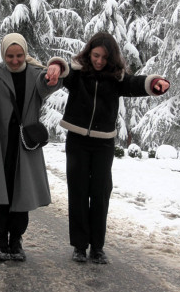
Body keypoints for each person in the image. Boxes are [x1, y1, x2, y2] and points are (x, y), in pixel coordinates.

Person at [59, 32, 170, 264]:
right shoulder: (77, 73)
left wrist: (154, 83)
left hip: (103, 143)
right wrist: (55, 68)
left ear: (111, 59)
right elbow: (62, 70)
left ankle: (97, 247)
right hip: (77, 141)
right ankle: (79, 246)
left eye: (104, 58)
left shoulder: (116, 78)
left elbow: (135, 83)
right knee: (78, 192)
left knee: (100, 194)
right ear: (89, 52)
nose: (99, 61)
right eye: (96, 55)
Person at [0, 33, 69, 261]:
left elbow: (50, 82)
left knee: (21, 193)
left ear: (25, 53)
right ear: (4, 53)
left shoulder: (36, 74)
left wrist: (54, 72)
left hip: (24, 145)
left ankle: (16, 240)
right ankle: (1, 240)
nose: (15, 60)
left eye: (19, 55)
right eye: (10, 55)